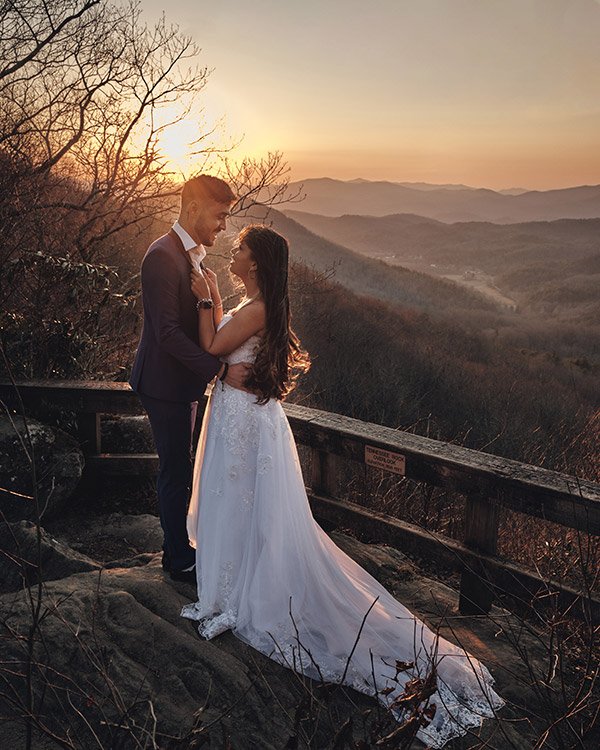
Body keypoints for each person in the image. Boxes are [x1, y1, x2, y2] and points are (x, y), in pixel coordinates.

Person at [181, 225, 504, 748]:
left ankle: (240, 585)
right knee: (237, 501)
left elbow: (214, 344)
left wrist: (204, 302)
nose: (233, 253)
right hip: (238, 416)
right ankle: (232, 574)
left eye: (240, 249)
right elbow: (227, 349)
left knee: (240, 499)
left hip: (242, 420)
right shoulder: (255, 302)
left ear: (257, 261)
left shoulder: (260, 307)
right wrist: (217, 297)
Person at [129, 175, 249, 584]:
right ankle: (177, 559)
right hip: (164, 384)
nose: (224, 226)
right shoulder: (162, 255)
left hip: (182, 385)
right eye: (220, 215)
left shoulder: (191, 255)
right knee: (175, 471)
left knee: (180, 467)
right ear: (193, 208)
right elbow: (166, 333)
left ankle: (180, 549)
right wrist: (217, 370)